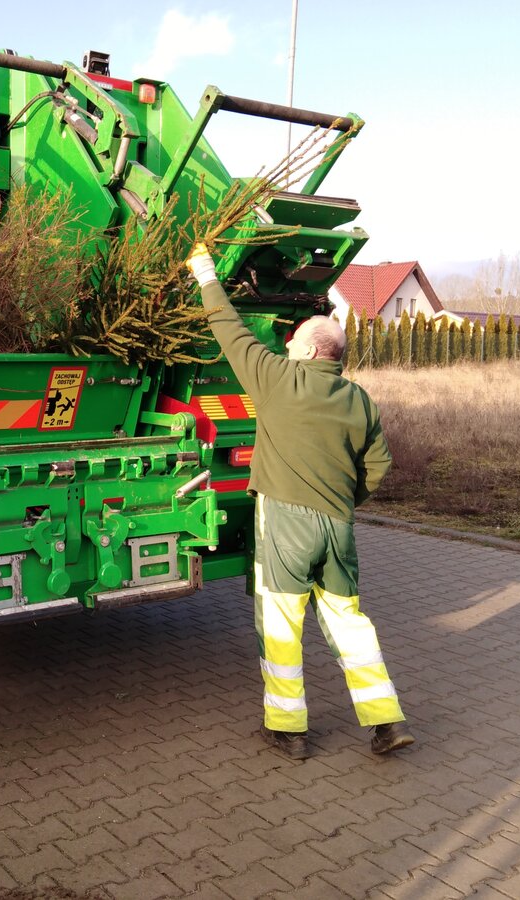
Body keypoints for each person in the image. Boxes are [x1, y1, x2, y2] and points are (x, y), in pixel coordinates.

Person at [186, 243, 414, 761]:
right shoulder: (360, 400)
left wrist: (203, 269)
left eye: (293, 342)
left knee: (282, 624)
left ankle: (287, 731)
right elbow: (378, 467)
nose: (286, 346)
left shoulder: (276, 380)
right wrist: (343, 498)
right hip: (339, 525)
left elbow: (228, 327)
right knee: (348, 622)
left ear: (311, 352)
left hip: (286, 523)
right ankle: (386, 722)